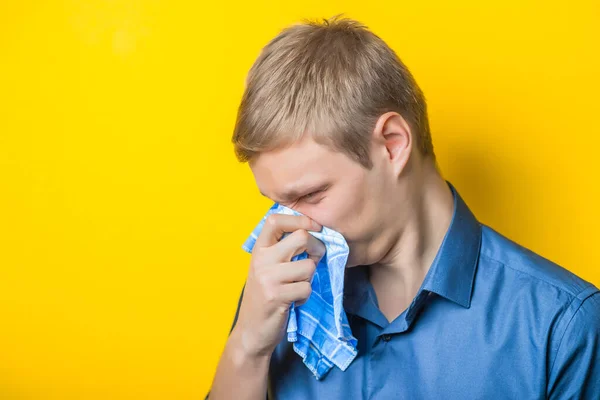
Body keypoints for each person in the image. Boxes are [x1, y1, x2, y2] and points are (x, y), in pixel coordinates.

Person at [206, 14, 600, 399]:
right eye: (277, 203)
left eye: (312, 196)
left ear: (392, 144)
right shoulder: (278, 292)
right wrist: (248, 346)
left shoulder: (559, 328)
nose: (294, 224)